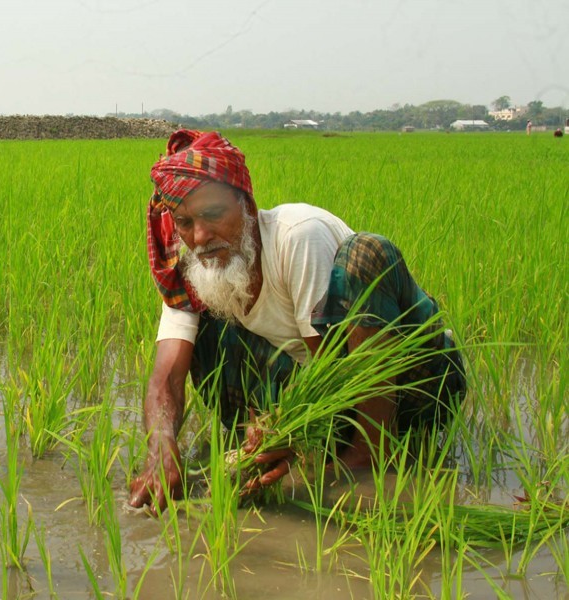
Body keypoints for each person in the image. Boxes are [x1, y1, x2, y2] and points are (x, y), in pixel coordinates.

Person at [128, 130, 466, 511]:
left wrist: (293, 431)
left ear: (248, 206)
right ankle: (267, 452)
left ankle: (367, 458)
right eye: (185, 222)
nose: (201, 236)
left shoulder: (297, 237)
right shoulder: (192, 270)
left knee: (366, 255)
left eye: (213, 214)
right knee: (204, 323)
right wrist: (160, 449)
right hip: (322, 396)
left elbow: (332, 371)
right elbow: (166, 378)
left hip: (409, 388)